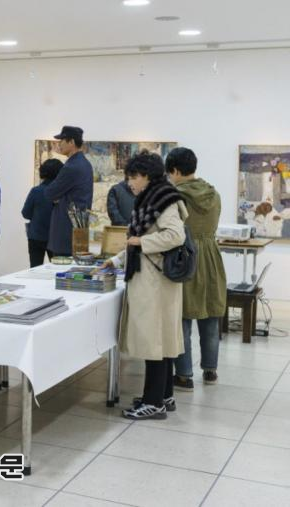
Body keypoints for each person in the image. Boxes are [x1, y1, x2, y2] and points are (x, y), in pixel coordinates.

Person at [101, 150, 188, 420]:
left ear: (147, 176)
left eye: (133, 177)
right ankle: (164, 396)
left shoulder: (163, 200)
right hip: (154, 278)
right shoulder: (153, 197)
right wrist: (116, 260)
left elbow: (175, 235)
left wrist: (142, 242)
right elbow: (137, 240)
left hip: (155, 281)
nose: (130, 182)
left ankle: (154, 403)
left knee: (154, 341)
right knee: (161, 339)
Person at [166, 147, 226, 389]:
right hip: (211, 255)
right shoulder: (214, 194)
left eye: (169, 173)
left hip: (185, 255)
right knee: (210, 315)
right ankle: (210, 371)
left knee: (183, 316)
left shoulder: (174, 196)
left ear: (175, 170)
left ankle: (184, 375)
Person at [44, 125, 93, 256]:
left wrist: (58, 197)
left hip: (65, 231)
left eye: (62, 140)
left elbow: (49, 193)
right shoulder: (85, 164)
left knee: (63, 266)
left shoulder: (71, 167)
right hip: (78, 229)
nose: (59, 144)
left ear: (71, 142)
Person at [22, 159, 62, 267]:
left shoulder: (36, 191)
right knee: (57, 269)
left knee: (34, 268)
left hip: (36, 236)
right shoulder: (62, 193)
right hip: (55, 238)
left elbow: (25, 213)